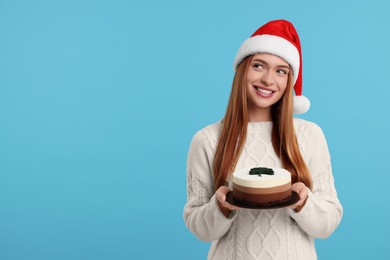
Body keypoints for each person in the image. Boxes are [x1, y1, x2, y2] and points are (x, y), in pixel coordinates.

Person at [183, 19, 343, 260]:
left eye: (281, 71)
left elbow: (328, 224)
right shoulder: (207, 140)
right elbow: (199, 228)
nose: (269, 79)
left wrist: (303, 203)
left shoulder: (309, 136)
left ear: (289, 80)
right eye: (259, 66)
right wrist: (220, 207)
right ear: (242, 69)